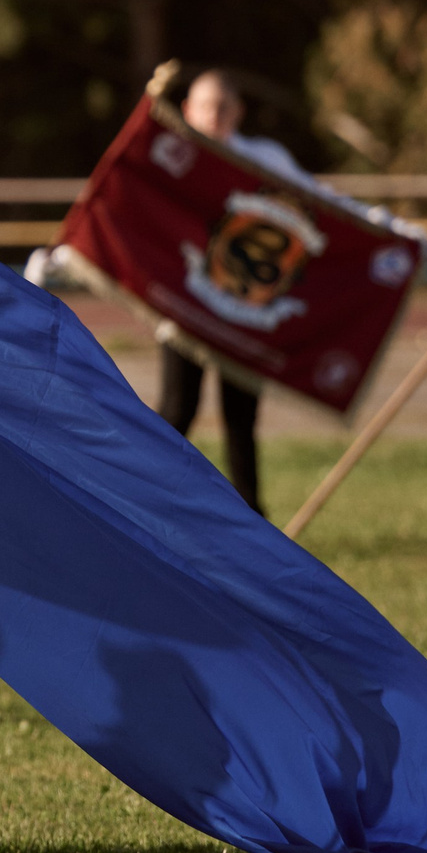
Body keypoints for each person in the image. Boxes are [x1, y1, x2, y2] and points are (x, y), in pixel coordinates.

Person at [155, 68, 313, 517]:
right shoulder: (172, 158)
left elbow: (322, 206)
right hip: (186, 306)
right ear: (188, 111)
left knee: (241, 419)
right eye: (205, 106)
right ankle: (151, 505)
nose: (214, 116)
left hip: (245, 309)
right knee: (175, 409)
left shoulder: (264, 159)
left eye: (223, 107)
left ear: (238, 112)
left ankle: (252, 519)